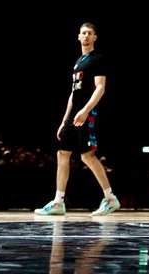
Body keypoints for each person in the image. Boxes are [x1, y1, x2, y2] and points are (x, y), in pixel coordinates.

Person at [34, 22, 121, 218]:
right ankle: (58, 202)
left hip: (88, 114)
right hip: (73, 116)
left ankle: (110, 198)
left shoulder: (98, 59)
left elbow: (100, 88)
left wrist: (85, 110)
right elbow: (73, 94)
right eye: (83, 33)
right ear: (78, 37)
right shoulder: (78, 62)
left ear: (95, 37)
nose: (86, 36)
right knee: (62, 154)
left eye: (90, 33)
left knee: (87, 156)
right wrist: (64, 121)